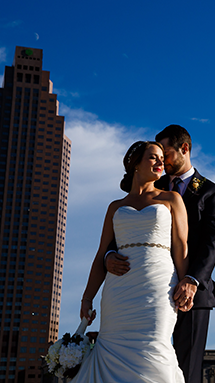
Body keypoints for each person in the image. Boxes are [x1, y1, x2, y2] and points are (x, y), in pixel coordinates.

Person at [106, 124, 215, 383]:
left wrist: (192, 281)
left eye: (167, 152)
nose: (162, 159)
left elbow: (211, 242)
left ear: (184, 149)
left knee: (185, 369)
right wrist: (109, 255)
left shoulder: (210, 192)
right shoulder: (150, 182)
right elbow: (122, 228)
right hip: (143, 289)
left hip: (191, 292)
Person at [73, 141, 189, 382]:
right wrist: (87, 298)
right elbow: (100, 255)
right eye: (153, 157)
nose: (160, 162)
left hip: (158, 288)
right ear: (135, 164)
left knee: (155, 349)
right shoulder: (115, 207)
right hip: (118, 294)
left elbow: (181, 247)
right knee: (111, 353)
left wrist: (187, 284)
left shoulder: (172, 199)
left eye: (162, 158)